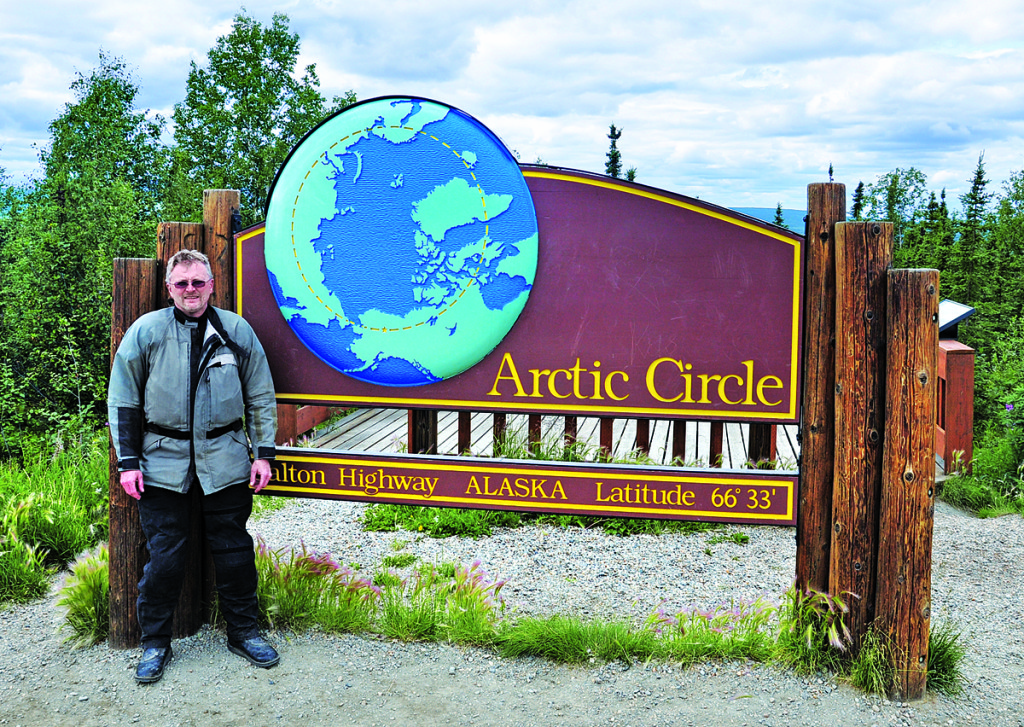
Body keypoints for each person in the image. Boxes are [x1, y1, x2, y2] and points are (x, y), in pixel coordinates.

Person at [108, 249, 280, 684]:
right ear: (169, 288)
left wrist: (264, 453)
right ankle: (154, 642)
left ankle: (244, 632)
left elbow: (260, 394)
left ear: (211, 284)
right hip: (162, 463)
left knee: (234, 552)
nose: (190, 290)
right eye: (181, 283)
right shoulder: (146, 333)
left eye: (198, 282)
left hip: (224, 459)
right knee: (165, 558)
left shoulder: (235, 331)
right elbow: (123, 400)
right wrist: (128, 463)